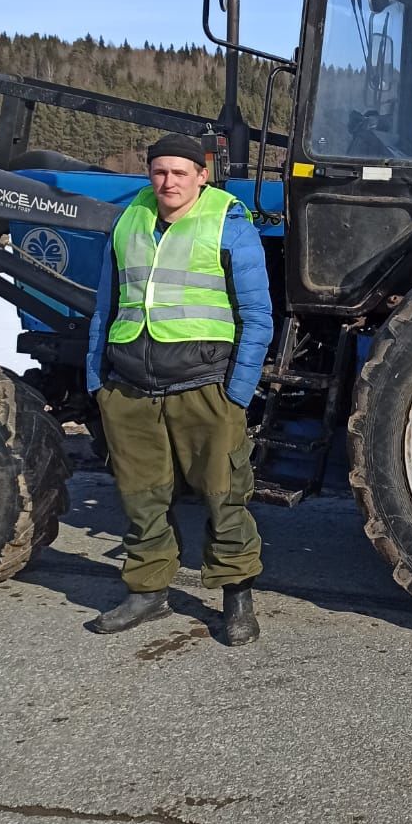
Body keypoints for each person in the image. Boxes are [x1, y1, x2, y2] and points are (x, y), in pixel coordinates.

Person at [85, 133, 274, 644]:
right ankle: (148, 593)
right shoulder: (129, 219)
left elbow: (257, 316)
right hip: (129, 386)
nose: (168, 182)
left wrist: (236, 391)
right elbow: (106, 306)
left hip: (204, 387)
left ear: (201, 175)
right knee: (141, 497)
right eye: (159, 172)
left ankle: (237, 598)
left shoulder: (228, 223)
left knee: (223, 497)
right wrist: (95, 378)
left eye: (179, 173)